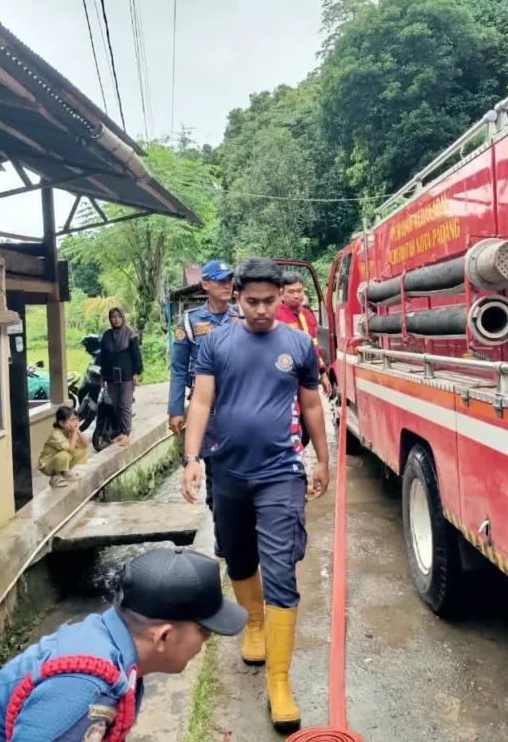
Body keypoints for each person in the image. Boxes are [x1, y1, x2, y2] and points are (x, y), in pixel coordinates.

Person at [181, 257, 330, 733]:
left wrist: (322, 459)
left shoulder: (299, 344)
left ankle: (279, 683)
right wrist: (191, 458)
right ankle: (256, 623)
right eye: (252, 302)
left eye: (269, 301)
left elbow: (311, 404)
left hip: (281, 472)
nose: (262, 310)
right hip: (227, 470)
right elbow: (201, 401)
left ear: (279, 297)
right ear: (238, 299)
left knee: (281, 567)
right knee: (239, 556)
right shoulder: (216, 343)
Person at [0, 547, 246, 741]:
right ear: (163, 636)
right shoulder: (85, 688)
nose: (206, 641)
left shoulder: (110, 647)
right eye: (204, 631)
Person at [168, 260, 241, 552]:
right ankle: (223, 535)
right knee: (215, 472)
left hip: (240, 407)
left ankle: (243, 533)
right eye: (221, 280)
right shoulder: (190, 322)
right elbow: (178, 369)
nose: (227, 285)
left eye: (230, 280)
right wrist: (175, 409)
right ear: (205, 284)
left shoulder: (242, 316)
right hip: (207, 412)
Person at [277, 271, 332, 398]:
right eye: (291, 292)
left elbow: (314, 347)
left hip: (307, 376)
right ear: (281, 294)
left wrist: (323, 374)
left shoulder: (307, 315)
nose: (296, 296)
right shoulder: (276, 316)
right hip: (285, 376)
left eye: (299, 291)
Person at [98, 307, 142, 446]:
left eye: (118, 316)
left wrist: (136, 373)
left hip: (126, 374)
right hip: (111, 376)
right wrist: (103, 375)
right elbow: (103, 358)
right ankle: (121, 431)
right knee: (116, 405)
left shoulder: (130, 335)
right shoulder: (106, 336)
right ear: (110, 319)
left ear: (122, 318)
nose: (116, 319)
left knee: (125, 404)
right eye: (113, 317)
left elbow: (136, 356)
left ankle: (126, 434)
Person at [37, 406, 89, 488]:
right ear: (61, 423)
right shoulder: (56, 434)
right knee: (65, 454)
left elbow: (86, 444)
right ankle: (56, 476)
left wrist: (77, 431)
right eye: (72, 420)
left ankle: (65, 472)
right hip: (47, 464)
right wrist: (74, 433)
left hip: (59, 459)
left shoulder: (70, 431)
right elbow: (70, 449)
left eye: (76, 419)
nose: (76, 422)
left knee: (82, 449)